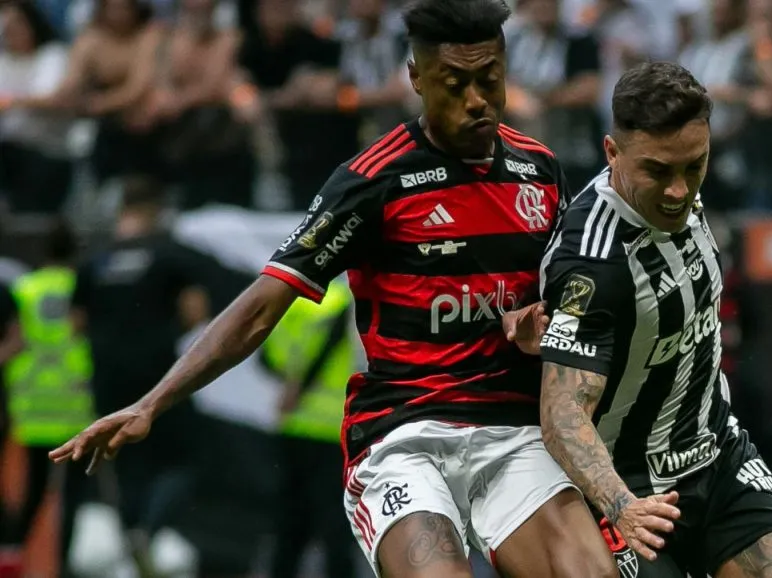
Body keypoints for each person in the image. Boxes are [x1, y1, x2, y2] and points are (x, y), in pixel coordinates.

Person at [50, 1, 618, 577]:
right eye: (456, 83)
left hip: (513, 433)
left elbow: (571, 303)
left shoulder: (539, 170)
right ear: (417, 78)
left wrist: (545, 323)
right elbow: (257, 310)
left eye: (490, 80)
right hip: (407, 435)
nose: (478, 100)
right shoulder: (372, 181)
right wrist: (152, 403)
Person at [537, 61, 772, 578]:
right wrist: (620, 503)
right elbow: (561, 413)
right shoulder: (592, 262)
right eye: (657, 171)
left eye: (694, 166)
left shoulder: (685, 189)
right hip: (630, 489)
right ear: (613, 152)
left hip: (717, 454)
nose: (678, 190)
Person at [69, 175, 213, 576]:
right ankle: (149, 528)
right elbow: (196, 314)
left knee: (123, 463)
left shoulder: (95, 260)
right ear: (155, 210)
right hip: (158, 380)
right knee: (182, 460)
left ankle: (132, 534)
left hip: (109, 377)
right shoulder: (170, 255)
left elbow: (76, 324)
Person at [3, 220, 93, 577]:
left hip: (33, 403)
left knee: (33, 491)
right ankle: (65, 566)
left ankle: (14, 558)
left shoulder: (24, 288)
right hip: (76, 404)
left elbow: (16, 340)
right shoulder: (81, 286)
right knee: (72, 493)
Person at [260, 278, 358, 578]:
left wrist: (290, 385)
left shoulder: (289, 301)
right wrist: (301, 387)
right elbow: (331, 345)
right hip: (332, 426)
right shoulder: (340, 301)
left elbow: (264, 356)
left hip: (293, 425)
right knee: (335, 524)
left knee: (290, 521)